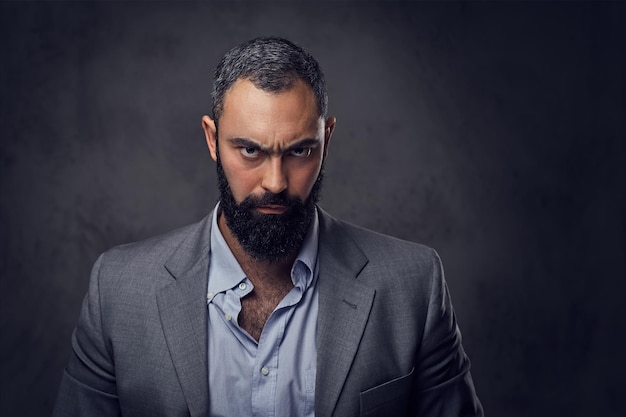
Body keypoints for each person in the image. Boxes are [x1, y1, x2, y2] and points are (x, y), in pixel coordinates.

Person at [53, 37, 483, 417]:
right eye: (249, 151)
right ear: (211, 139)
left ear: (326, 141)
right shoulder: (118, 291)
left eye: (299, 151)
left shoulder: (413, 286)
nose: (275, 181)